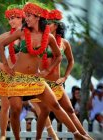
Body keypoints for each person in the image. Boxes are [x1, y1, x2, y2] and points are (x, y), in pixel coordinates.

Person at [0, 2, 91, 140]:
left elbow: (59, 56)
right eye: (25, 15)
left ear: (38, 17)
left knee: (55, 105)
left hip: (35, 79)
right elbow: (0, 45)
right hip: (18, 78)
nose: (25, 18)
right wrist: (5, 65)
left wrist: (46, 71)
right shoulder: (22, 32)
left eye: (28, 16)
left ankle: (77, 135)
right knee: (15, 111)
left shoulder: (49, 37)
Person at [30, 9, 93, 140]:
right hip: (42, 84)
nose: (47, 25)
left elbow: (71, 61)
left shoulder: (64, 43)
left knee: (70, 110)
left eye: (50, 23)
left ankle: (85, 136)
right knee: (45, 113)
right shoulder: (39, 39)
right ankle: (76, 136)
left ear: (57, 25)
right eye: (46, 22)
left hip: (56, 83)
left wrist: (65, 77)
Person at [0, 4, 24, 140]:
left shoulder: (28, 35)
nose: (11, 21)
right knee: (5, 106)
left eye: (15, 18)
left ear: (22, 18)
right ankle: (2, 135)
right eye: (9, 18)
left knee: (33, 105)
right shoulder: (7, 35)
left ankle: (52, 134)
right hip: (7, 73)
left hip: (22, 74)